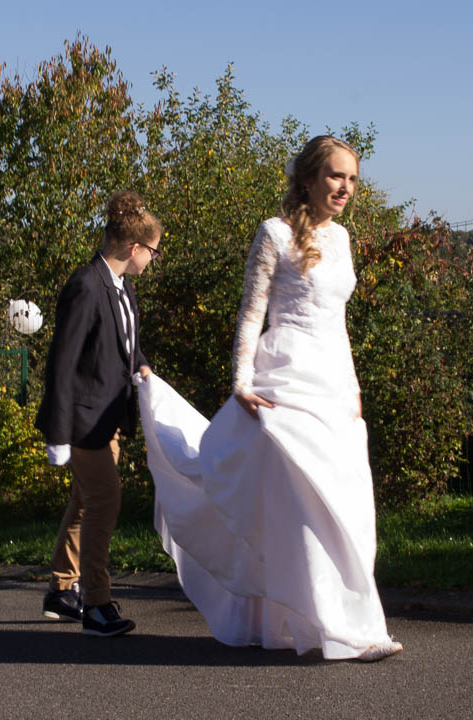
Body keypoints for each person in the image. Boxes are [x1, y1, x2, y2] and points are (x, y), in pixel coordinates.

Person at [138, 136, 403, 661]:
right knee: (298, 507)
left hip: (332, 386)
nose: (345, 187)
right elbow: (251, 313)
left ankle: (338, 619)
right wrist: (240, 382)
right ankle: (332, 630)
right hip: (283, 381)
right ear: (307, 179)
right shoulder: (274, 234)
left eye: (351, 177)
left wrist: (353, 390)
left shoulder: (344, 239)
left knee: (346, 504)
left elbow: (339, 323)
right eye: (334, 175)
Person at [35, 190, 161, 637]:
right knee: (105, 501)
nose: (153, 259)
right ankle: (97, 605)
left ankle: (60, 591)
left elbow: (126, 343)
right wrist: (58, 432)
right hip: (83, 421)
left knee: (86, 501)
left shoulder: (122, 287)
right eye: (153, 251)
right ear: (134, 248)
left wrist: (141, 363)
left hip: (108, 417)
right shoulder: (86, 285)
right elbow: (63, 361)